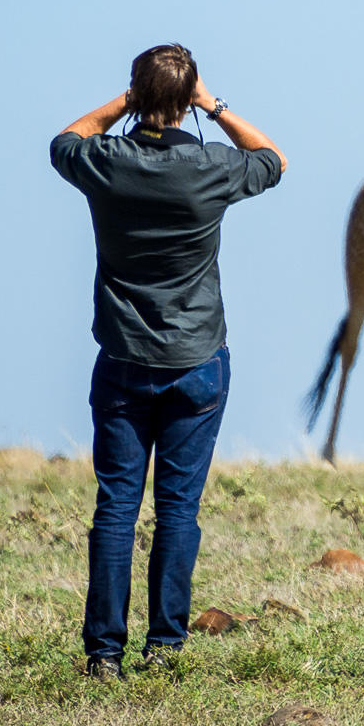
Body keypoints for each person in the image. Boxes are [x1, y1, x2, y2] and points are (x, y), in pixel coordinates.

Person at [51, 43, 287, 679]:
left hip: (124, 359)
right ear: (188, 102)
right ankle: (165, 646)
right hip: (198, 359)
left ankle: (104, 654)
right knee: (178, 509)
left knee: (115, 509)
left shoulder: (104, 161)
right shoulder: (211, 166)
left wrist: (129, 101)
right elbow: (273, 158)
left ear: (135, 95)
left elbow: (65, 139)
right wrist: (214, 105)